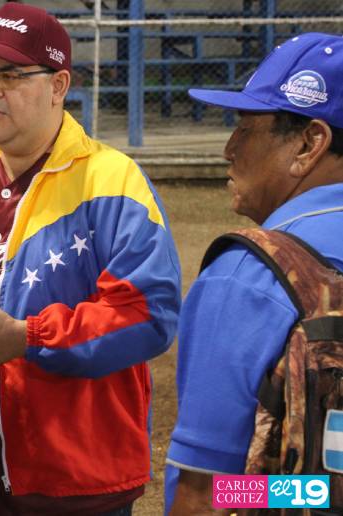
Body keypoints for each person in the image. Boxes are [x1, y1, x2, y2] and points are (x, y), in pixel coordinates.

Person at [0, 3, 181, 514]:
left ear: (59, 84)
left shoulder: (113, 181)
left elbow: (148, 314)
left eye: (12, 75)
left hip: (80, 481)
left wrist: (28, 338)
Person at [165, 33, 343, 514]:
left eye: (246, 126)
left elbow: (208, 492)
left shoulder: (248, 276)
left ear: (309, 143)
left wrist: (313, 491)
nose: (228, 148)